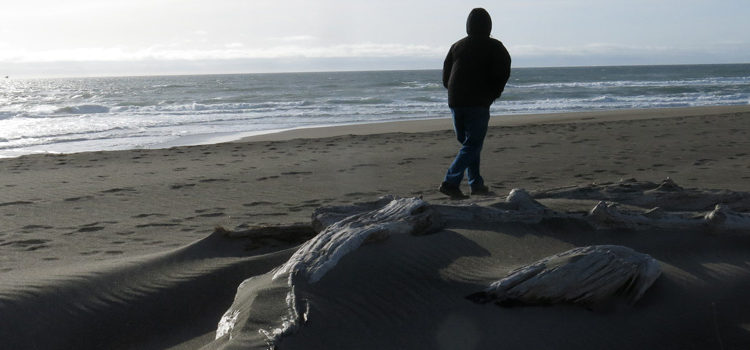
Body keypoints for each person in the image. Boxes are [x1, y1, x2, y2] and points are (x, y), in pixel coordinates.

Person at [439, 8, 511, 199]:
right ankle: (450, 182)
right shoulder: (495, 46)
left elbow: (446, 76)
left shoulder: (456, 46)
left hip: (456, 102)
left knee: (469, 144)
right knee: (472, 144)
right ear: (489, 26)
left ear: (468, 26)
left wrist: (453, 91)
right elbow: (503, 72)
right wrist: (494, 93)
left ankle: (476, 184)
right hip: (477, 102)